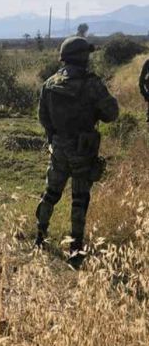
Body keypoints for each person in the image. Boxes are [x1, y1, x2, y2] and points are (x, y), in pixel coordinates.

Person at [34, 36, 119, 267]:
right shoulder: (91, 83)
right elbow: (112, 114)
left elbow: (43, 117)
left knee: (51, 193)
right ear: (82, 57)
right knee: (80, 199)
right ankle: (75, 250)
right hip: (83, 149)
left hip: (59, 147)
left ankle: (40, 237)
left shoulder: (50, 83)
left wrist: (56, 137)